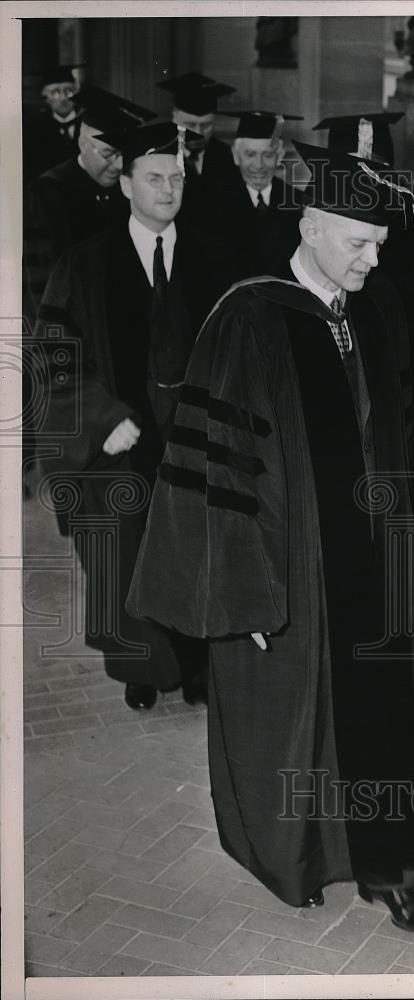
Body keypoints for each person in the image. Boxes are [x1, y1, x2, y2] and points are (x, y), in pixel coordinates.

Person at [126, 142, 414, 929]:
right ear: (309, 225)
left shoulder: (378, 307)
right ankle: (294, 861)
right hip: (288, 568)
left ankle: (385, 866)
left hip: (373, 562)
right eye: (358, 243)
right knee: (296, 722)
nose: (372, 260)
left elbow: (403, 441)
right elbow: (214, 470)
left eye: (380, 245)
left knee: (380, 714)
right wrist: (243, 593)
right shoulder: (249, 317)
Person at [34, 122, 230, 711]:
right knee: (127, 555)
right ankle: (142, 668)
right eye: (153, 178)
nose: (168, 189)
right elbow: (53, 353)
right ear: (125, 185)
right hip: (124, 436)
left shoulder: (211, 258)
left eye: (176, 177)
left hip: (195, 436)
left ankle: (196, 664)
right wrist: (99, 416)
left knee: (196, 551)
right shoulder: (85, 263)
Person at [312, 112, 414, 438]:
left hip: (408, 405)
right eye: (350, 167)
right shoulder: (310, 235)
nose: (363, 177)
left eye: (375, 167)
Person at [24, 88, 156, 317]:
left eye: (126, 154)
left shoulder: (126, 189)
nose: (118, 165)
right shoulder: (47, 192)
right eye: (108, 153)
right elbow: (41, 280)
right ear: (82, 143)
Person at [218, 109, 305, 278]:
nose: (259, 165)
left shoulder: (297, 201)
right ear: (236, 156)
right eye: (250, 154)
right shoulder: (215, 201)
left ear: (279, 156)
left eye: (268, 155)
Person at [156, 71, 237, 228]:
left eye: (206, 125)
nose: (198, 133)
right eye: (190, 125)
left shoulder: (227, 156)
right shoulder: (159, 155)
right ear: (174, 118)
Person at [23, 64, 82, 181]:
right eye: (55, 93)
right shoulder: (36, 129)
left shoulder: (87, 122)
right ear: (46, 97)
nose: (63, 98)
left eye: (68, 91)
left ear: (77, 93)